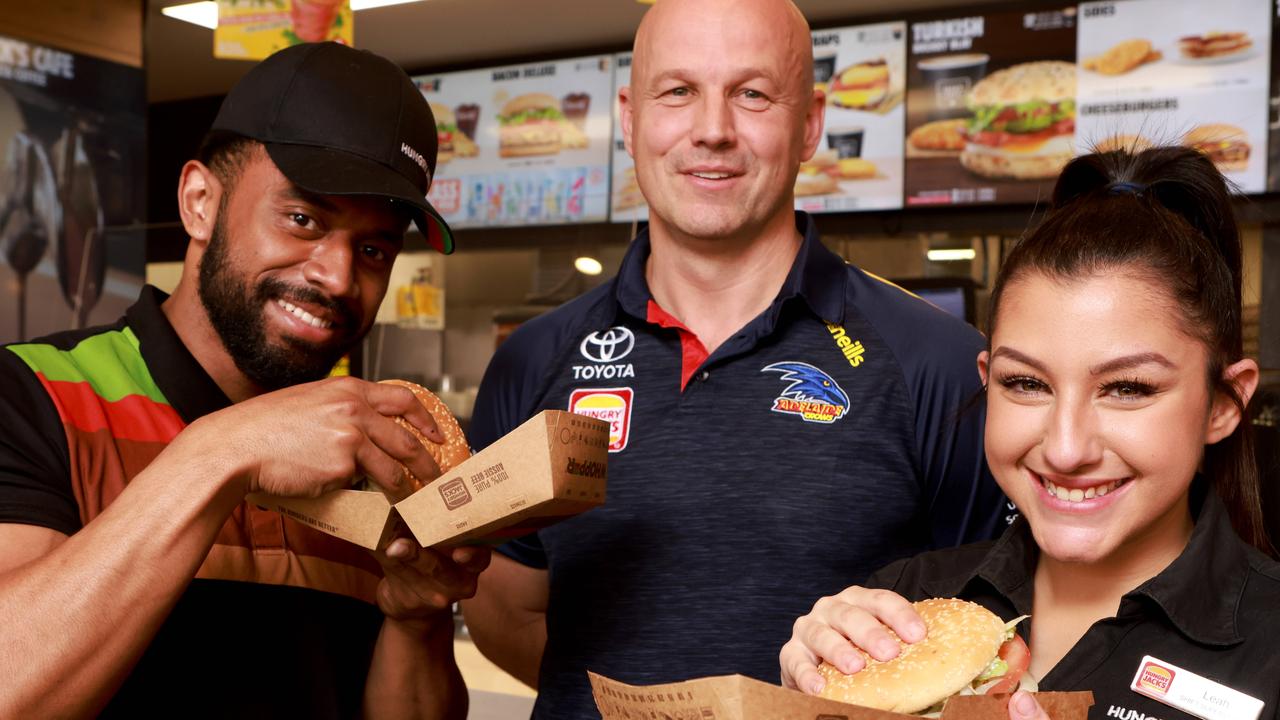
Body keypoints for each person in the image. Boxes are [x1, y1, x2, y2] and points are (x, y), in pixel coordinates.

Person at [460, 0, 1007, 715]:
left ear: (810, 123)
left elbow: (983, 638)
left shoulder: (937, 364)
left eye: (752, 94)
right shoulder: (532, 361)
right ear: (629, 117)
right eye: (678, 91)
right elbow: (509, 609)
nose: (713, 130)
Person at [0, 43, 488, 718]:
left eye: (373, 248)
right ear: (200, 202)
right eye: (303, 220)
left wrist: (416, 617)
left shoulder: (378, 460)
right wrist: (222, 452)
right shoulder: (31, 394)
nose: (339, 278)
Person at [780, 146, 1280, 720]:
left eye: (1128, 389)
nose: (1066, 448)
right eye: (1026, 383)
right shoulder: (902, 602)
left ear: (1223, 402)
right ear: (987, 380)